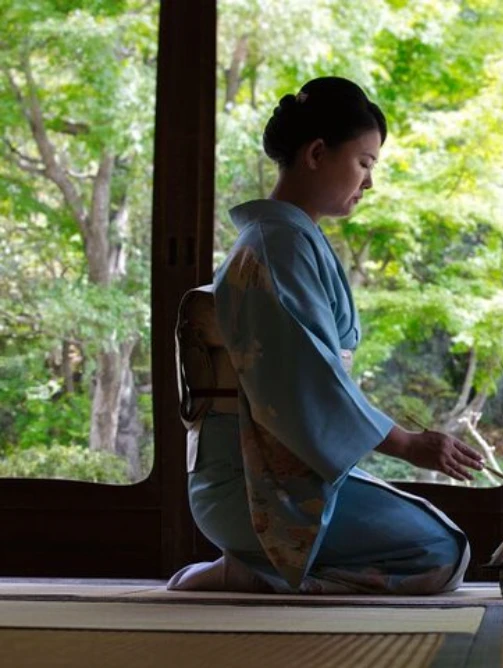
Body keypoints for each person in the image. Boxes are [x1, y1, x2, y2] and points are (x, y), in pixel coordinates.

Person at [168, 77, 484, 595]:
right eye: (364, 163)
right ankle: (252, 569)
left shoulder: (285, 241)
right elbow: (305, 379)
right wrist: (406, 443)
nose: (369, 183)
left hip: (261, 472)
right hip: (250, 484)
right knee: (439, 552)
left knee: (441, 538)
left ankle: (257, 568)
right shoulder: (279, 246)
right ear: (317, 153)